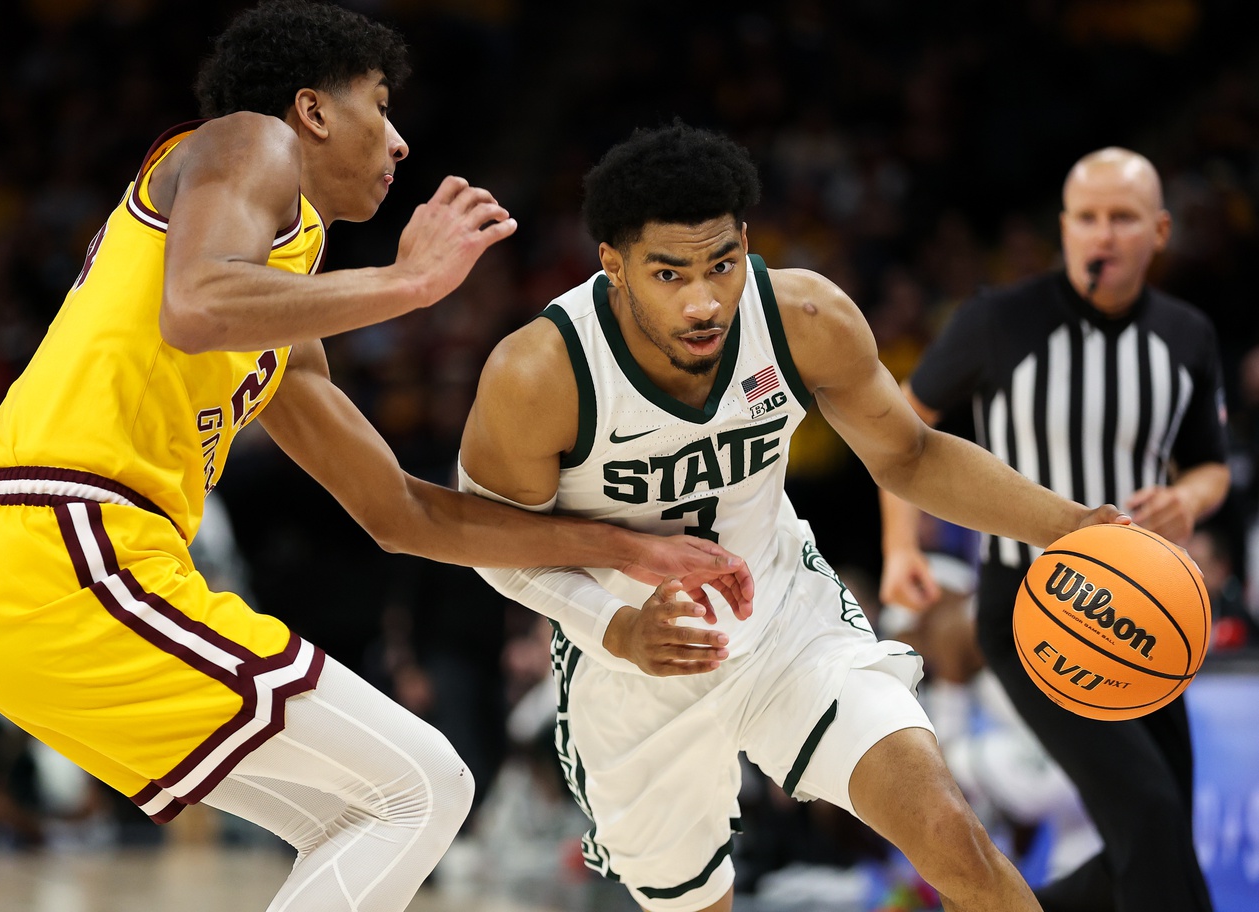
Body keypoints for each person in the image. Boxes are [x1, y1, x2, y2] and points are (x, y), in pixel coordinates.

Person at [0, 5, 752, 911]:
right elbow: (197, 304)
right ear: (313, 111)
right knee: (423, 787)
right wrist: (409, 284)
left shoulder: (282, 300)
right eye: (381, 104)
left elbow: (401, 513)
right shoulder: (249, 141)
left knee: (371, 808)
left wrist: (623, 547)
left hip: (27, 579)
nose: (399, 142)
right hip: (66, 549)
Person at [458, 121, 1127, 912]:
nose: (704, 300)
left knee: (952, 833)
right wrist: (615, 628)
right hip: (633, 667)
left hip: (784, 618)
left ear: (745, 241)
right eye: (668, 274)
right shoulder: (540, 372)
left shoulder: (803, 318)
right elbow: (489, 544)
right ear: (614, 267)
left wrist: (1070, 527)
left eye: (722, 264)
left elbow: (909, 455)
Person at [879, 147, 1229, 912]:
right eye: (1086, 218)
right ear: (1063, 227)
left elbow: (1212, 464)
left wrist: (1190, 500)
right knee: (1149, 814)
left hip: (1147, 600)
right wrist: (900, 545)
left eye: (1122, 218)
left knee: (1154, 831)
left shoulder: (1186, 335)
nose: (1101, 235)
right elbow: (898, 430)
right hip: (1032, 602)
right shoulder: (994, 322)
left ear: (1159, 231)